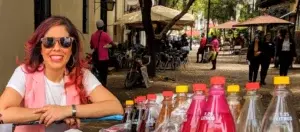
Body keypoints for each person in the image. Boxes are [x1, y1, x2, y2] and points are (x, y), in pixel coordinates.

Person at [0, 16, 123, 132]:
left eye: (65, 41)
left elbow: (115, 107)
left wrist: (68, 110)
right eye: (49, 41)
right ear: (40, 48)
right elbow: (2, 112)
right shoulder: (24, 73)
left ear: (72, 48)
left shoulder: (81, 74)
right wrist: (52, 113)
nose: (57, 48)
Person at [90, 20, 116, 87]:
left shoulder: (93, 35)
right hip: (104, 58)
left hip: (96, 58)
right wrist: (107, 46)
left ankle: (97, 86)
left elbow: (91, 46)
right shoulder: (105, 35)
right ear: (103, 26)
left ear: (97, 26)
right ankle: (103, 87)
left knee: (96, 73)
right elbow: (113, 44)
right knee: (103, 74)